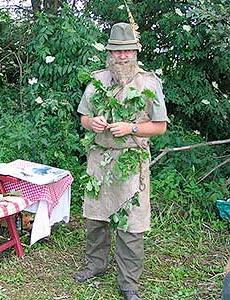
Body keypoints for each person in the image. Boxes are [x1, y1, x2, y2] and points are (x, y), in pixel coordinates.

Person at [75, 23, 168, 300]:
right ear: (110, 53)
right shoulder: (97, 81)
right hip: (99, 159)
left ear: (135, 52)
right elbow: (83, 117)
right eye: (118, 51)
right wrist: (93, 123)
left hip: (131, 160)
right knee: (96, 216)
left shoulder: (149, 83)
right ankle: (95, 265)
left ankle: (128, 284)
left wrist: (131, 128)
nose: (123, 56)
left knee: (131, 223)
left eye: (128, 50)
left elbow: (160, 126)